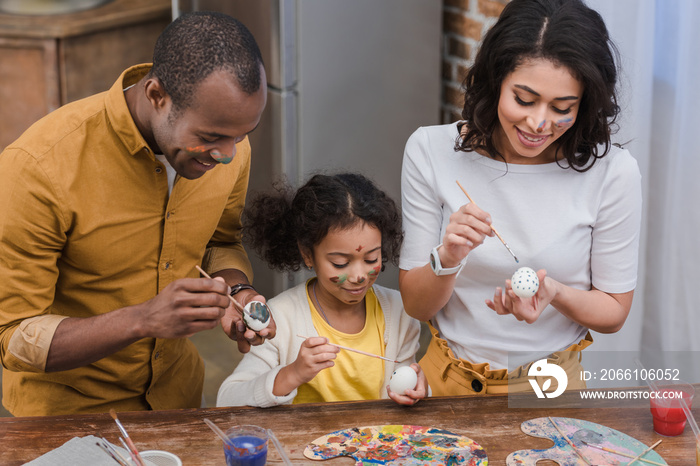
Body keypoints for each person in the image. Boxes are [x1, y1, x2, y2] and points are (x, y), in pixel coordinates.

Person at [0, 12, 275, 416]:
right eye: (210, 137)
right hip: (67, 418)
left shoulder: (229, 148)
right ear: (156, 95)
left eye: (242, 135)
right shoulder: (37, 168)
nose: (227, 154)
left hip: (177, 402)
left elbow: (221, 241)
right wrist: (143, 319)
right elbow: (13, 335)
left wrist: (238, 293)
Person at [399, 0, 642, 396]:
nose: (538, 123)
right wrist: (449, 257)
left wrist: (556, 293)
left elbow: (613, 312)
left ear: (585, 105)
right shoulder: (430, 149)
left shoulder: (613, 173)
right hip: (446, 386)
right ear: (496, 81)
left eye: (562, 107)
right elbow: (416, 305)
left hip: (553, 388)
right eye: (524, 100)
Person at [217, 173, 428, 407]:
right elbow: (227, 400)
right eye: (340, 263)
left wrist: (417, 390)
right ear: (308, 254)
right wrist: (292, 374)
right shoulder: (279, 319)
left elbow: (403, 386)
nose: (358, 276)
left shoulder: (400, 313)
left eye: (371, 259)